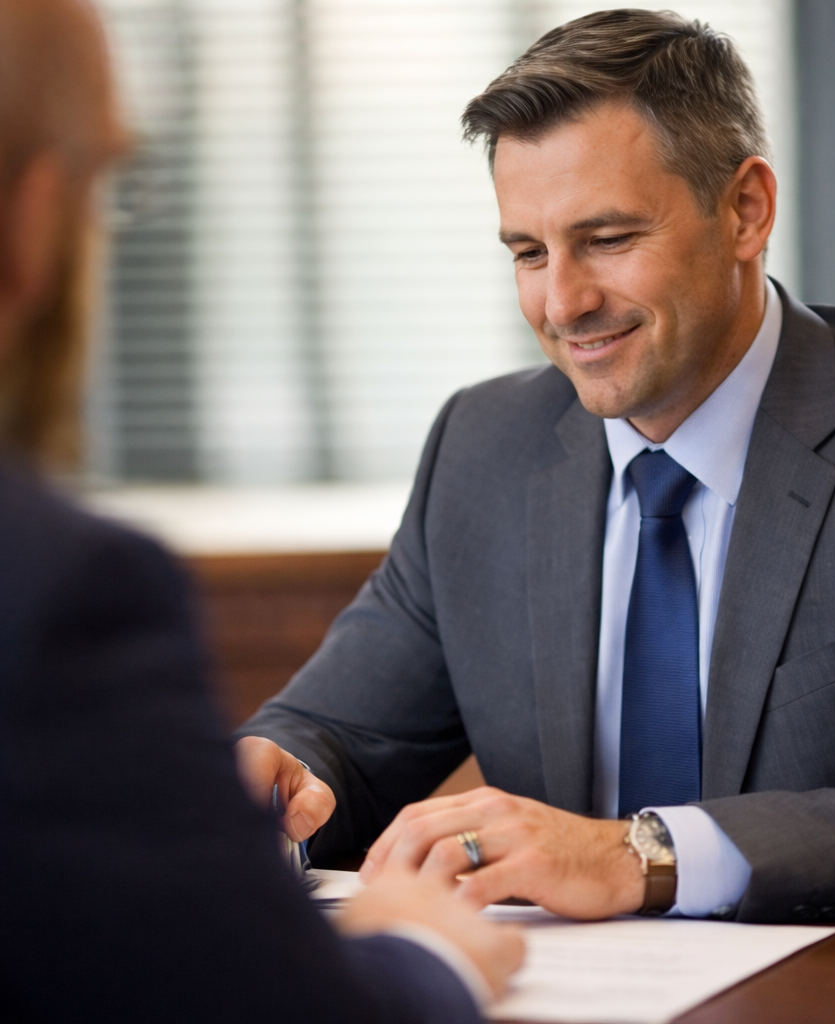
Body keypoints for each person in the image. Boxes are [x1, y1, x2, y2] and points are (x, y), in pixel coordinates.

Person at [237, 9, 835, 923]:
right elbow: (341, 735)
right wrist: (276, 775)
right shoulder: (482, 447)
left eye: (607, 240)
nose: (563, 302)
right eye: (529, 253)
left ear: (746, 210)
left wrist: (642, 855)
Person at [0, 1, 522, 1019]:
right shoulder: (57, 585)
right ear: (33, 213)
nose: (560, 302)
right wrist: (427, 953)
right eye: (526, 252)